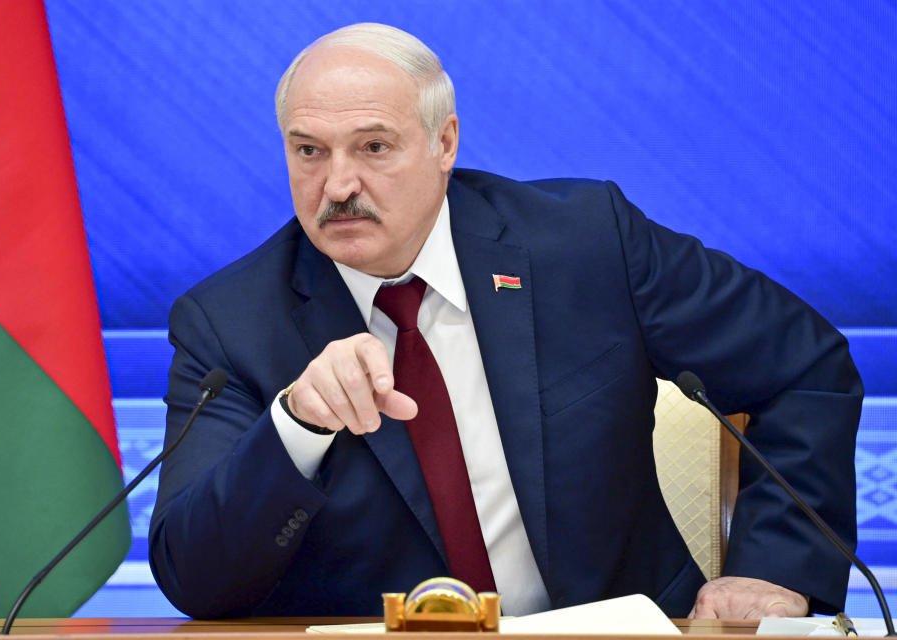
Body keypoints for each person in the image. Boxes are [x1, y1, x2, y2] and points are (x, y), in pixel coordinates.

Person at [149, 23, 861, 620]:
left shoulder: (585, 244)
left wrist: (776, 568)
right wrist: (298, 424)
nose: (337, 186)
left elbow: (805, 369)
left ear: (445, 143)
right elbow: (197, 580)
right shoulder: (230, 323)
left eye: (373, 147)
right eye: (309, 150)